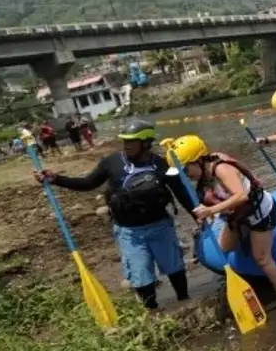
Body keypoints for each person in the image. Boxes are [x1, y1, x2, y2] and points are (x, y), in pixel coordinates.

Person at [32, 119, 195, 310]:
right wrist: (56, 179)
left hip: (160, 227)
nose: (125, 145)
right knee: (141, 276)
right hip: (129, 232)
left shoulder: (162, 164)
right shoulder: (111, 162)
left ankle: (185, 302)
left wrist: (198, 215)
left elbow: (182, 192)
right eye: (124, 140)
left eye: (130, 141)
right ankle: (153, 312)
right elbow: (87, 184)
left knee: (175, 268)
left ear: (145, 143)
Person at [165, 135, 276, 304]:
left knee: (262, 259)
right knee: (224, 247)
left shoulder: (221, 169)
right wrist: (206, 217)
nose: (184, 176)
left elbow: (241, 196)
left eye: (185, 170)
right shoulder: (202, 177)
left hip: (259, 212)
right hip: (236, 215)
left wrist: (211, 210)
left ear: (198, 160)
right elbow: (214, 200)